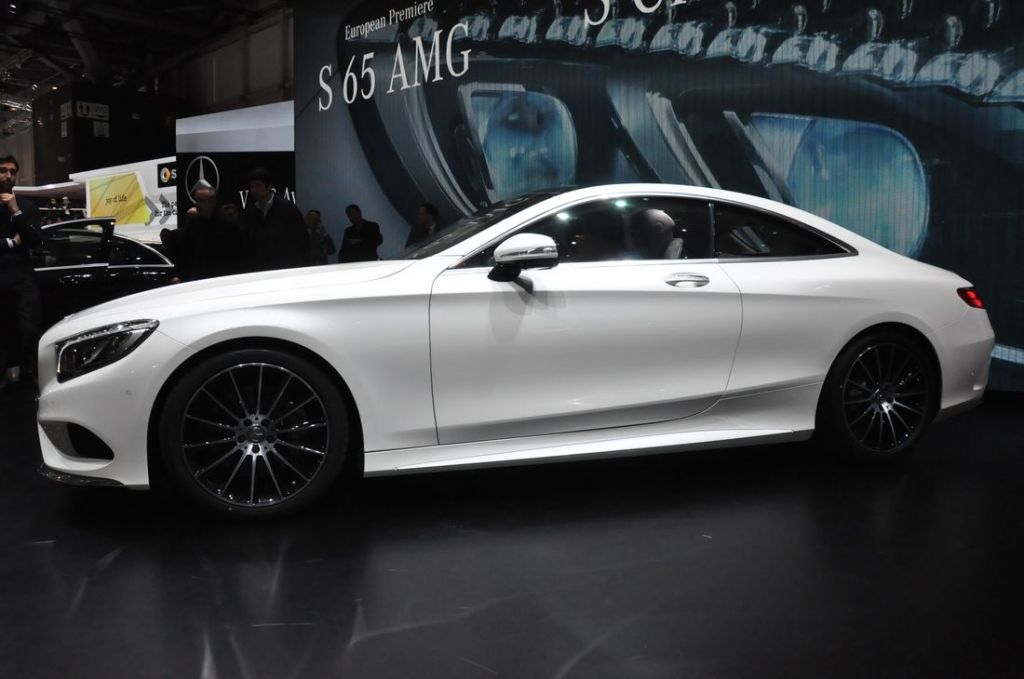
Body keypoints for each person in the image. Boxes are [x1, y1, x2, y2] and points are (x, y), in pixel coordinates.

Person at [0, 155, 42, 390]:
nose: (8, 175)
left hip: (23, 278)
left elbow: (35, 240)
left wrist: (15, 211)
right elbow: (22, 240)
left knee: (30, 331)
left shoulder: (27, 207)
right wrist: (11, 243)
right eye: (3, 170)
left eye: (12, 171)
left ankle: (35, 378)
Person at [162, 186, 247, 282]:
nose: (197, 204)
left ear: (213, 202)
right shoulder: (193, 225)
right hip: (197, 280)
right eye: (196, 200)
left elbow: (238, 259)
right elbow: (185, 255)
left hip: (222, 280)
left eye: (201, 201)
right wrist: (179, 276)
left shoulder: (230, 227)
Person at [242, 167, 309, 271]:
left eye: (258, 185)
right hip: (261, 269)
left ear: (269, 186)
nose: (253, 190)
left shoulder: (287, 208)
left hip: (286, 267)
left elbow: (302, 239)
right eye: (251, 186)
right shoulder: (252, 212)